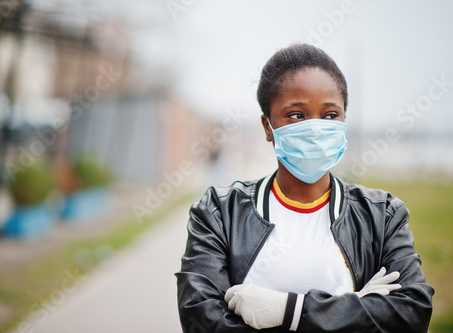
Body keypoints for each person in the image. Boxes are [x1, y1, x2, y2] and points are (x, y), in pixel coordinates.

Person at [175, 43, 434, 332]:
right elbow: (202, 321)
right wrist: (354, 307)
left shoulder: (382, 215)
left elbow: (411, 313)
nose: (315, 128)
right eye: (296, 115)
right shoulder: (219, 214)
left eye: (330, 115)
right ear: (267, 126)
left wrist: (292, 311)